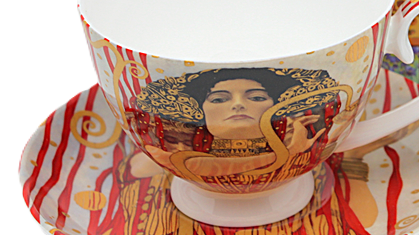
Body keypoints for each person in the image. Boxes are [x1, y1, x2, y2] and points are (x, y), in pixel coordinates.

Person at [130, 67, 341, 190]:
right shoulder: (169, 152)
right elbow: (191, 165)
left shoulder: (305, 149)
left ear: (274, 108)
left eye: (256, 97)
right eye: (219, 99)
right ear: (201, 111)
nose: (238, 105)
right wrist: (290, 151)